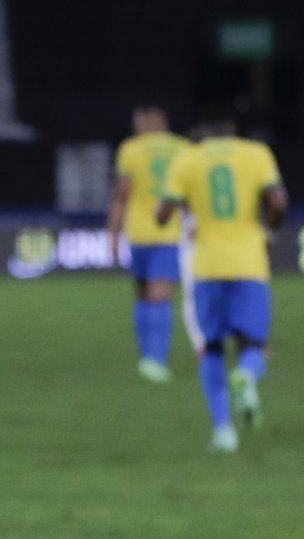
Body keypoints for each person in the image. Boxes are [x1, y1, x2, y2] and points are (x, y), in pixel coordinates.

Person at [157, 109, 286, 452]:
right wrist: (266, 235)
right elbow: (278, 203)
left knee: (211, 348)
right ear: (233, 132)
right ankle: (246, 374)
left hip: (207, 267)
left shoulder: (187, 160)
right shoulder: (257, 155)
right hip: (249, 263)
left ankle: (224, 431)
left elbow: (161, 215)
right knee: (253, 345)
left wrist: (189, 206)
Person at [105, 106, 190, 381]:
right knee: (160, 295)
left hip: (138, 231)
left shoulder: (131, 149)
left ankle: (147, 356)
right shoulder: (183, 147)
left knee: (143, 293)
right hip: (169, 232)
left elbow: (121, 195)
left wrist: (113, 234)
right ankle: (155, 359)